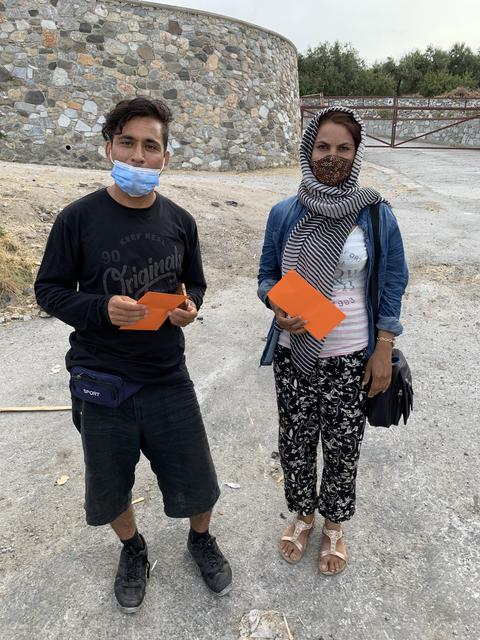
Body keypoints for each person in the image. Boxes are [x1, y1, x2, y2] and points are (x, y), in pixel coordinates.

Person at [35, 96, 232, 611]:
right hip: (102, 380)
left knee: (198, 479)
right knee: (109, 486)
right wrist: (100, 308)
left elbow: (194, 284)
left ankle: (200, 539)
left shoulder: (181, 221)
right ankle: (133, 548)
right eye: (128, 143)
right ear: (109, 149)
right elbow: (49, 290)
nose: (139, 156)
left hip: (167, 375)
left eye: (151, 146)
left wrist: (189, 306)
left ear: (166, 156)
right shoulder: (77, 219)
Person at [257, 107, 408, 576]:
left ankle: (335, 524)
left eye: (344, 148)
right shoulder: (285, 212)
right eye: (322, 146)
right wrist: (275, 306)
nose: (332, 156)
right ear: (309, 151)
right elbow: (266, 275)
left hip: (350, 355)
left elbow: (394, 280)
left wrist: (384, 345)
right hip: (295, 354)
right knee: (296, 440)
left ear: (357, 154)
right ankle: (303, 517)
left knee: (343, 445)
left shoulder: (375, 213)